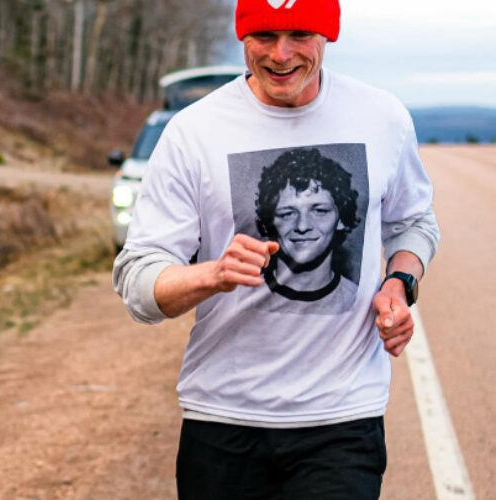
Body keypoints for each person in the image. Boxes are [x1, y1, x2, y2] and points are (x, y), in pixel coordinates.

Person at [113, 0, 439, 498]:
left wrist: (400, 282)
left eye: (299, 35)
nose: (281, 55)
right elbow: (138, 285)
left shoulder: (382, 116)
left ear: (328, 34)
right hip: (224, 417)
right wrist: (212, 274)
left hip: (343, 416)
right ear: (242, 35)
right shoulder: (192, 132)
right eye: (264, 36)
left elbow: (413, 222)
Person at [254, 147, 360, 312]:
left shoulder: (360, 301)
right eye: (287, 213)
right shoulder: (241, 296)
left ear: (341, 219)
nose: (302, 226)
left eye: (319, 211)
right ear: (270, 221)